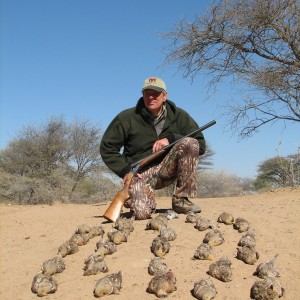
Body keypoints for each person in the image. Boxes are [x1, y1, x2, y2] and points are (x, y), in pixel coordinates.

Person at [100, 77, 206, 220]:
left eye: (155, 93)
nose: (151, 97)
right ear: (142, 95)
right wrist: (125, 171)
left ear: (165, 96)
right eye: (147, 93)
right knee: (142, 214)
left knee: (190, 142)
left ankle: (181, 200)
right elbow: (107, 147)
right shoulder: (126, 117)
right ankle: (135, 197)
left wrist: (171, 139)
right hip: (139, 173)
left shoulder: (180, 115)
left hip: (167, 168)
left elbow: (200, 144)